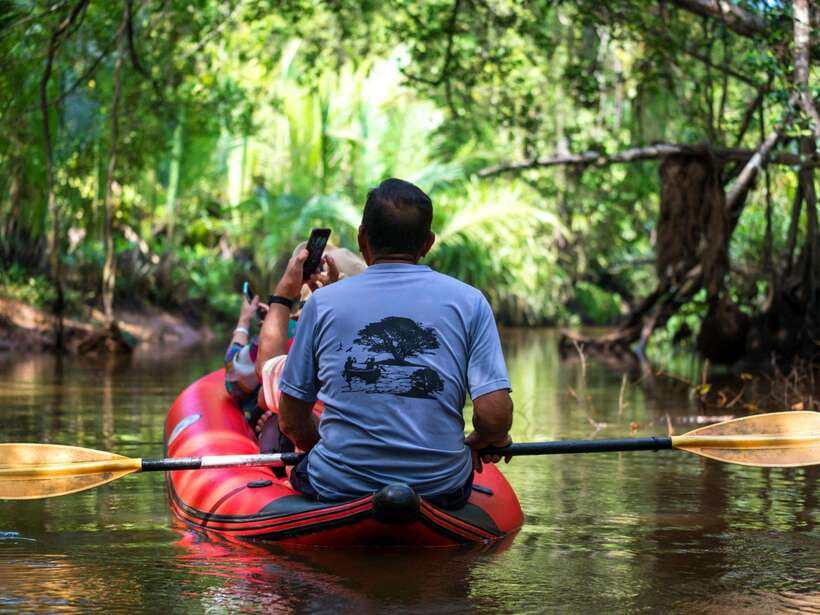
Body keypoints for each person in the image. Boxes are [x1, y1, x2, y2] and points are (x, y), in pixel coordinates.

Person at [256, 178, 513, 509]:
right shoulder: (470, 302)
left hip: (338, 483)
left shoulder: (322, 304)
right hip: (440, 485)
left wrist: (332, 452)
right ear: (428, 243)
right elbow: (495, 416)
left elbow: (291, 420)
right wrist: (487, 439)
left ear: (363, 237)